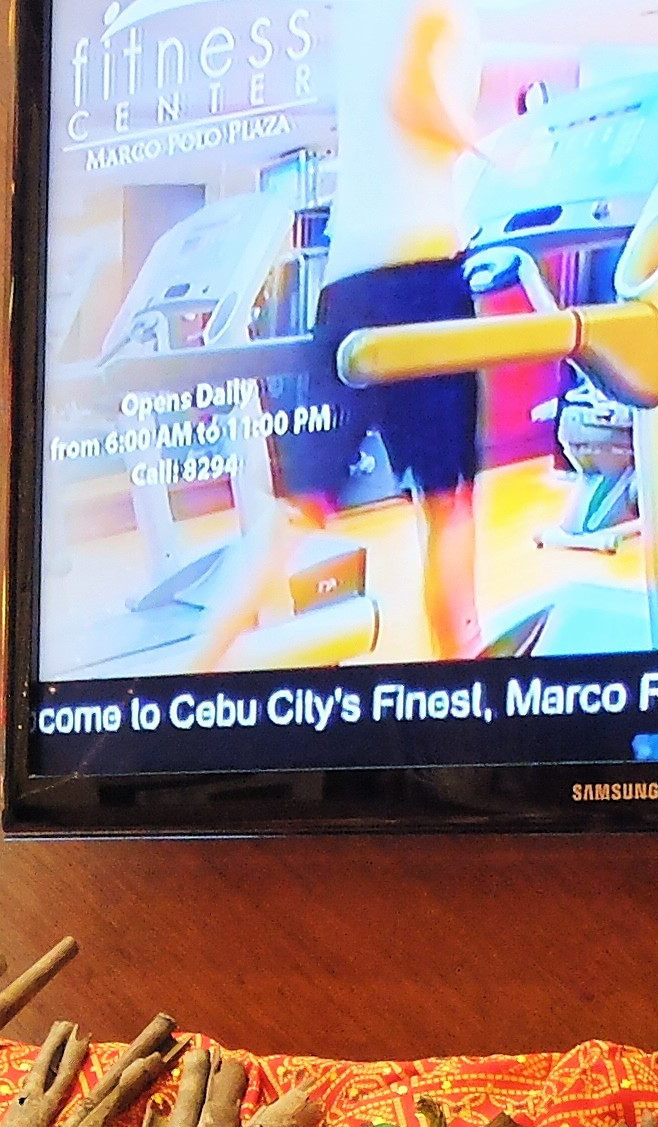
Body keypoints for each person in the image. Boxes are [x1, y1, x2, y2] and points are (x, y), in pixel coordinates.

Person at [191, 0, 491, 665]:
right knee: (446, 503)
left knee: (298, 508)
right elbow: (413, 94)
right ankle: (463, 684)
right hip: (421, 274)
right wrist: (494, 147)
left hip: (347, 283)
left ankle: (187, 672)